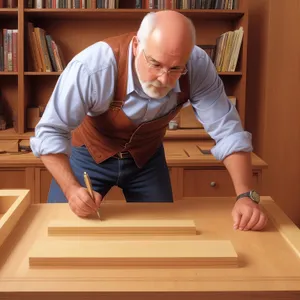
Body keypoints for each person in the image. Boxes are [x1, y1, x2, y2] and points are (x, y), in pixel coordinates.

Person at [30, 10, 268, 231]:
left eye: (176, 69)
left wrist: (246, 195)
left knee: (162, 233)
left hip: (146, 159)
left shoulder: (197, 66)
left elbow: (228, 130)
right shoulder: (94, 67)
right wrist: (71, 189)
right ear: (136, 46)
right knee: (64, 228)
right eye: (155, 64)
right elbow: (50, 131)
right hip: (89, 156)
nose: (164, 79)